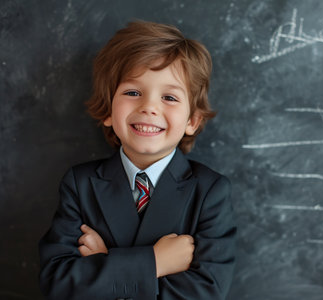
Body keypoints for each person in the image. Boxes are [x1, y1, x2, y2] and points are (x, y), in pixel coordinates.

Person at [39, 20, 236, 300]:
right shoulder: (80, 184)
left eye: (169, 97)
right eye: (133, 93)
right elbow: (58, 284)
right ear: (108, 110)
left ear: (192, 120)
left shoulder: (209, 192)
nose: (149, 107)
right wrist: (156, 262)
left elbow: (205, 292)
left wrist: (107, 264)